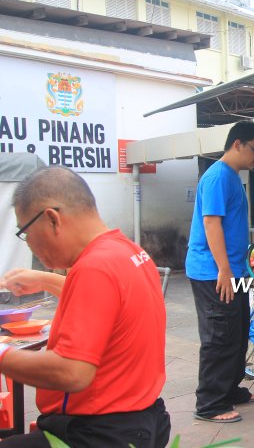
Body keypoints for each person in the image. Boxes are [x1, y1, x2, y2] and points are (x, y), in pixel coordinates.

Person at [0, 166, 170, 447]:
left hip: (97, 432)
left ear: (52, 219)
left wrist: (3, 353)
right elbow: (109, 304)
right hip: (142, 420)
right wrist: (44, 279)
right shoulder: (128, 251)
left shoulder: (94, 267)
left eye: (25, 232)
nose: (28, 244)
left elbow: (71, 372)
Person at [186, 121, 254, 423]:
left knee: (237, 333)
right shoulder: (217, 176)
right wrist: (225, 270)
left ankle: (229, 390)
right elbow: (211, 224)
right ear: (237, 144)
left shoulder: (232, 177)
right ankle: (209, 403)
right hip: (213, 272)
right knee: (219, 336)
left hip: (233, 271)